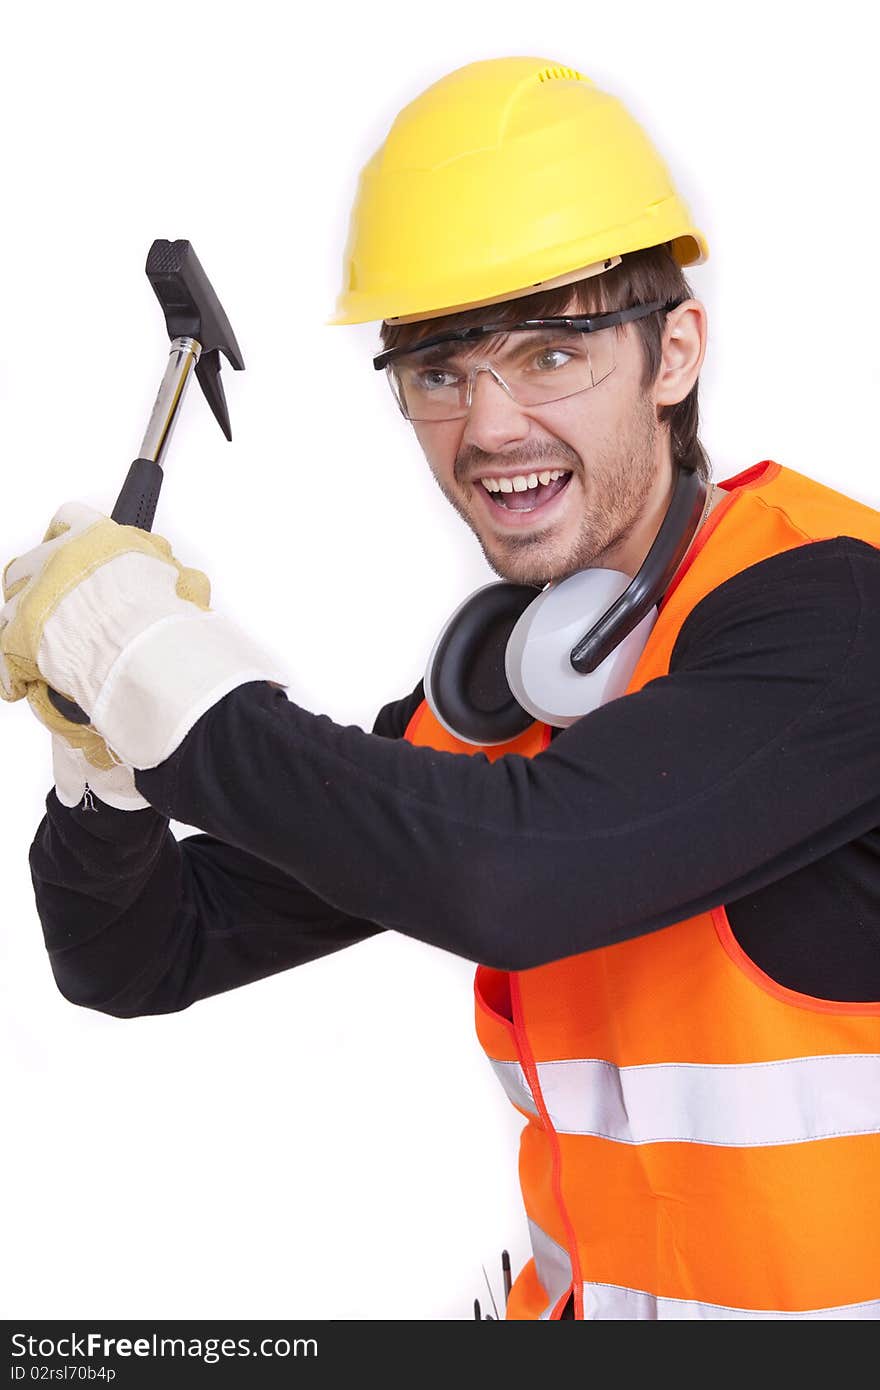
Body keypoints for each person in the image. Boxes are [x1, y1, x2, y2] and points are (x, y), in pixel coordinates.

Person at [2, 55, 880, 1321]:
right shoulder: (521, 689)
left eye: (548, 354)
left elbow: (510, 876)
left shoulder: (832, 621)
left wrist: (159, 664)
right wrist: (106, 758)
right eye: (438, 371)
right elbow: (140, 952)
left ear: (673, 352)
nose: (488, 427)